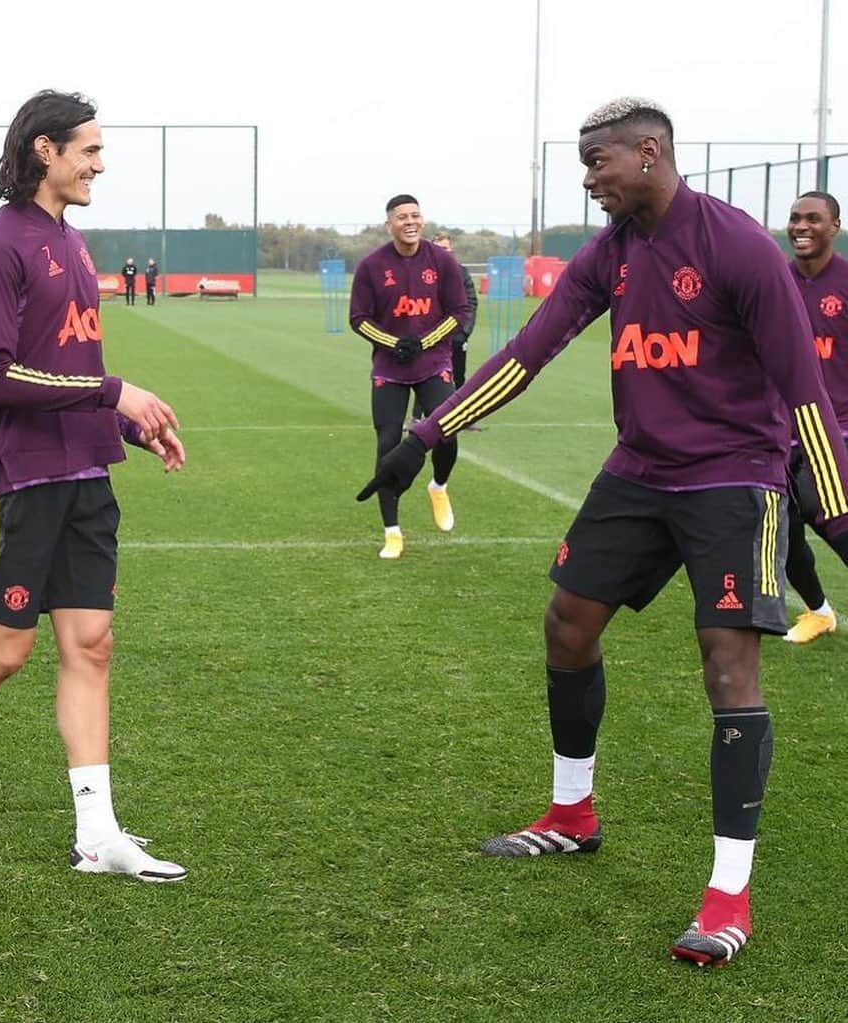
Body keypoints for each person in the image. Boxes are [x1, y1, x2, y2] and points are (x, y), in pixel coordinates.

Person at [358, 98, 848, 965]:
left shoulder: (736, 248)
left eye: (598, 163)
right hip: (639, 470)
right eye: (584, 164)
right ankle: (571, 812)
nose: (588, 179)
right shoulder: (612, 253)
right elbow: (524, 356)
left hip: (734, 477)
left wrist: (839, 517)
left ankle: (728, 896)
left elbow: (806, 393)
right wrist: (421, 440)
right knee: (566, 621)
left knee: (726, 662)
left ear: (648, 153)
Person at [0, 90, 188, 883]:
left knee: (91, 645)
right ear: (44, 151)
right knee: (3, 652)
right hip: (18, 479)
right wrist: (112, 394)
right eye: (88, 150)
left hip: (86, 469)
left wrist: (130, 420)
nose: (100, 163)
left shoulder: (72, 241)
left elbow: (74, 364)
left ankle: (97, 834)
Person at [349, 194, 470, 559]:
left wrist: (422, 342)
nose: (410, 221)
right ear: (389, 224)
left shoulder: (442, 260)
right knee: (387, 445)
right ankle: (392, 532)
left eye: (415, 215)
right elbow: (358, 318)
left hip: (434, 363)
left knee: (446, 434)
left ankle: (439, 485)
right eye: (401, 217)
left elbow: (458, 311)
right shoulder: (372, 266)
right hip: (389, 368)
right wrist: (393, 342)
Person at [783, 191, 848, 643]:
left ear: (835, 227)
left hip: (838, 426)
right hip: (780, 428)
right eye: (795, 218)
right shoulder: (777, 281)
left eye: (813, 219)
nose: (801, 226)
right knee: (776, 526)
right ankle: (819, 611)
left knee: (824, 510)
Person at [411, 232, 478, 423]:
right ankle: (418, 418)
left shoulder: (461, 272)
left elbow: (471, 302)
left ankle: (462, 418)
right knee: (425, 375)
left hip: (456, 336)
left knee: (458, 375)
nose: (444, 252)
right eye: (439, 248)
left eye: (446, 248)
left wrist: (463, 332)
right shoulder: (422, 272)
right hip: (429, 336)